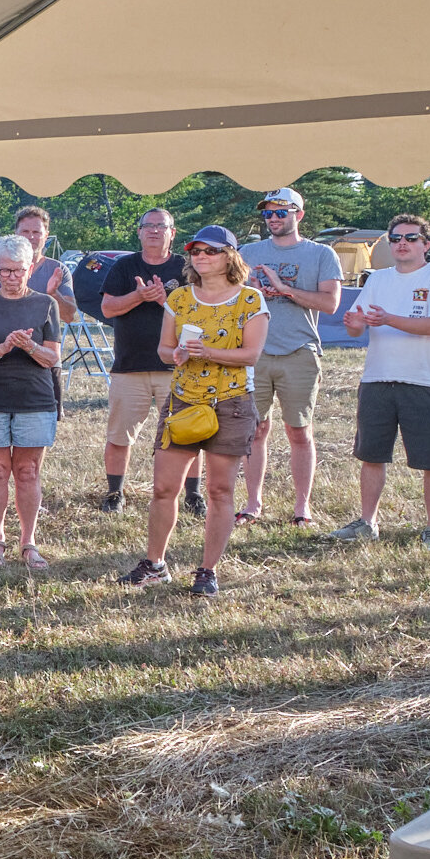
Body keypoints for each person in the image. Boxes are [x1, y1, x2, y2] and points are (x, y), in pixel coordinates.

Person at [118, 226, 267, 597]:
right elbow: (164, 350)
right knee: (163, 488)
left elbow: (251, 355)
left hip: (231, 403)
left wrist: (208, 353)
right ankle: (155, 565)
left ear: (230, 257)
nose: (200, 256)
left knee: (219, 490)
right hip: (184, 400)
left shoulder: (250, 299)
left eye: (210, 251)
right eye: (195, 251)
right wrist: (177, 355)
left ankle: (207, 571)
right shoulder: (180, 297)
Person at [330, 214, 430, 548]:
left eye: (411, 238)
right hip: (377, 378)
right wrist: (354, 323)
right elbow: (357, 329)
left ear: (426, 245)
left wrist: (388, 319)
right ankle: (367, 523)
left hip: (424, 380)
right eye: (396, 238)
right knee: (372, 455)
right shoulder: (377, 279)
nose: (402, 243)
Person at [237, 188, 342, 528]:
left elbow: (330, 304)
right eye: (268, 213)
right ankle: (253, 504)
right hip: (255, 352)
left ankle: (302, 507)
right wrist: (250, 292)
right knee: (255, 430)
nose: (273, 219)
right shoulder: (248, 252)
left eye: (281, 212)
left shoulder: (321, 254)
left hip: (299, 352)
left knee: (299, 432)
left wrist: (285, 289)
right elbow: (230, 296)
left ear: (299, 215)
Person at [0, 236, 62, 569]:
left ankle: (28, 541)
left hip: (35, 399)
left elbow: (53, 358)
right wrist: (2, 348)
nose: (11, 277)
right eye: (4, 270)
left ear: (30, 268)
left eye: (17, 270)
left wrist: (29, 346)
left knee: (27, 470)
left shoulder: (46, 304)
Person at [99, 208, 199, 515]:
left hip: (178, 365)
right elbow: (108, 308)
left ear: (172, 233)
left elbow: (199, 315)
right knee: (119, 435)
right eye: (149, 226)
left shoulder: (187, 267)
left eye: (161, 226)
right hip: (130, 365)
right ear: (139, 232)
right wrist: (138, 296)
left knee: (187, 433)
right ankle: (115, 493)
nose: (155, 231)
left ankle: (193, 495)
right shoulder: (124, 266)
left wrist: (163, 300)